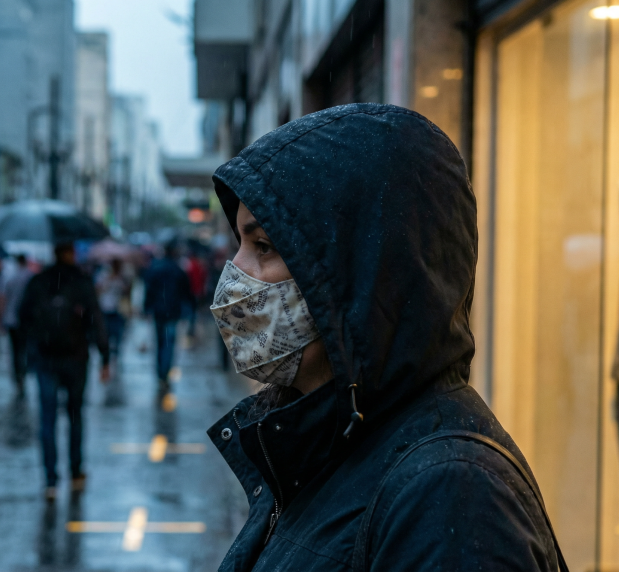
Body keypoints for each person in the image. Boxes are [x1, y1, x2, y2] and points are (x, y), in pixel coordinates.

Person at [207, 104, 565, 571]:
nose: (235, 273)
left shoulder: (450, 490)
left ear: (362, 275)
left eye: (264, 247)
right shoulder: (331, 438)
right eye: (239, 244)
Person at [19, 243, 110, 500]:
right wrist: (105, 356)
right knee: (74, 415)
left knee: (47, 419)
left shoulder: (38, 281)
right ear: (71, 253)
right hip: (76, 358)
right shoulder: (82, 282)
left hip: (45, 359)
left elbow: (22, 318)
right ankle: (75, 470)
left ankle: (50, 479)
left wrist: (26, 356)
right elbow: (95, 318)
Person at [142, 244, 192, 395]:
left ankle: (161, 373)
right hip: (172, 312)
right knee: (168, 344)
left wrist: (147, 307)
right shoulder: (178, 270)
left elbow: (149, 289)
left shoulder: (156, 268)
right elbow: (186, 292)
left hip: (160, 312)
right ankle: (164, 373)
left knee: (160, 343)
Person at [0, 254, 35, 398]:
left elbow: (1, 298)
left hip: (11, 319)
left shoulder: (7, 276)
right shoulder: (31, 276)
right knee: (25, 347)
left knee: (15, 349)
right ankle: (23, 372)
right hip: (26, 321)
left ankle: (18, 376)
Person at [95, 259, 131, 363]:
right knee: (106, 335)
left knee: (118, 336)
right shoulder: (103, 275)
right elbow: (98, 290)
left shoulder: (122, 278)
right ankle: (107, 357)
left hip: (118, 311)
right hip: (105, 309)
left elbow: (126, 294)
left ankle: (115, 357)